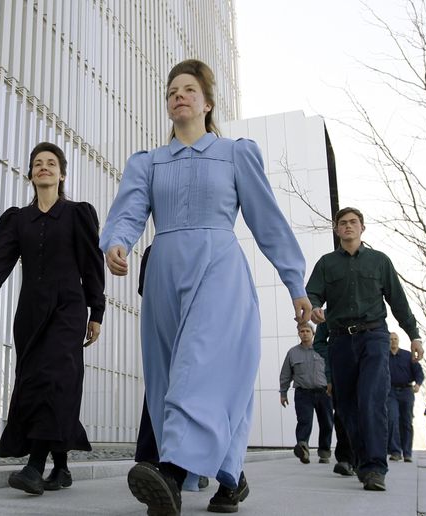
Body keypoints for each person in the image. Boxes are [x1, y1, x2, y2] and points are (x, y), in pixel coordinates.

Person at [99, 59, 311, 515]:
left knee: (200, 366)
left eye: (189, 89)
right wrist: (117, 242)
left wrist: (296, 284)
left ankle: (170, 472)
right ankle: (231, 477)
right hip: (163, 277)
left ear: (207, 102)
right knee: (169, 377)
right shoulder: (148, 163)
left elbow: (268, 223)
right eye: (172, 90)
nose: (179, 95)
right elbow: (130, 212)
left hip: (219, 270)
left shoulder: (235, 154)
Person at [0, 141, 105, 496]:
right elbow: (0, 259)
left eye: (51, 163)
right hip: (29, 313)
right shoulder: (17, 219)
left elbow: (92, 267)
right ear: (30, 174)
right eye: (38, 163)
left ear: (62, 173)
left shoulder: (78, 214)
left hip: (68, 309)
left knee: (54, 378)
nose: (44, 167)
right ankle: (61, 467)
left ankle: (33, 467)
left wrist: (96, 311)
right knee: (36, 383)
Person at [306, 206, 424, 492]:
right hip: (340, 340)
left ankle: (374, 468)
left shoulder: (379, 261)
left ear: (362, 228)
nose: (348, 227)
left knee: (371, 399)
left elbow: (399, 302)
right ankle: (361, 459)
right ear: (336, 230)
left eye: (353, 222)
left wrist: (414, 335)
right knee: (346, 406)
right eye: (343, 223)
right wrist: (314, 308)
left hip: (374, 337)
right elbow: (312, 295)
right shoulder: (326, 264)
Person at [135, 245, 210, 493]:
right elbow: (147, 294)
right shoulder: (153, 251)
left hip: (194, 332)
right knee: (160, 392)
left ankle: (196, 466)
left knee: (192, 394)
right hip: (166, 330)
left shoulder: (205, 245)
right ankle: (152, 459)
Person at [279, 322, 333, 465]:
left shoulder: (323, 349)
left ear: (313, 333)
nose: (304, 333)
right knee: (304, 421)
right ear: (299, 334)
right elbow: (285, 374)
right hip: (303, 394)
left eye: (307, 331)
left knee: (327, 423)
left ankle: (324, 452)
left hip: (324, 393)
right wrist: (283, 393)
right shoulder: (292, 353)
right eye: (301, 331)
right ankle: (303, 447)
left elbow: (333, 369)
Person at [312, 322, 356, 477]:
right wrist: (333, 357)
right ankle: (346, 459)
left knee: (366, 412)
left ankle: (367, 459)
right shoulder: (328, 316)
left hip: (365, 366)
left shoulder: (367, 310)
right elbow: (318, 343)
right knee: (342, 414)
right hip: (340, 370)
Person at [387, 332, 424, 462]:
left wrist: (418, 384)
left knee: (406, 422)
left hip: (407, 391)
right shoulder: (384, 357)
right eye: (391, 339)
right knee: (392, 419)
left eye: (395, 339)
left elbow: (419, 372)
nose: (393, 341)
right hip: (390, 392)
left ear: (399, 340)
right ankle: (396, 451)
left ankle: (407, 453)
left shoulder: (408, 356)